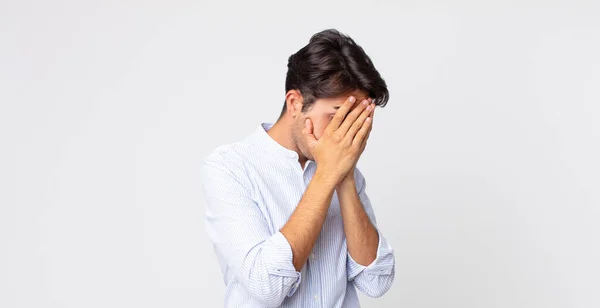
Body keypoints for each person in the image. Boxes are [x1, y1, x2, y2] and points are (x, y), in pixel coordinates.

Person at [202, 29, 395, 307]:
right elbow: (267, 285)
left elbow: (375, 281)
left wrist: (344, 176)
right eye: (336, 116)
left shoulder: (347, 171)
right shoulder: (230, 168)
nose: (346, 133)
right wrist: (328, 173)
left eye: (355, 119)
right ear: (295, 103)